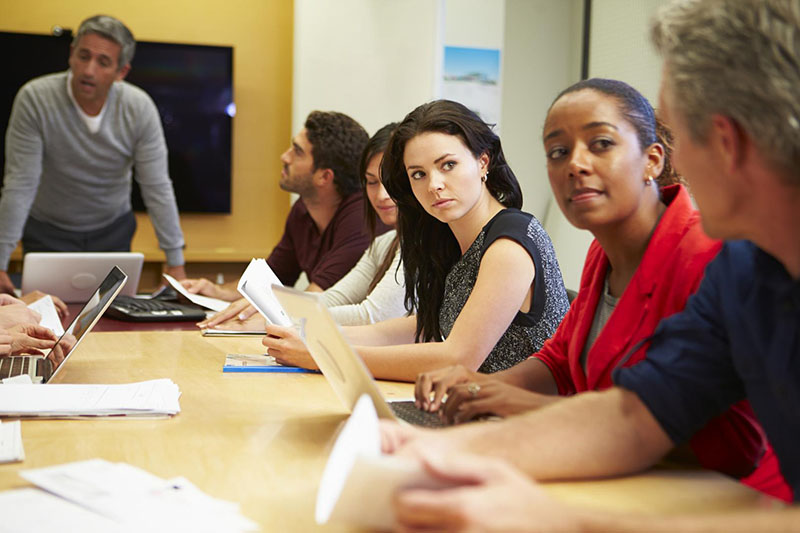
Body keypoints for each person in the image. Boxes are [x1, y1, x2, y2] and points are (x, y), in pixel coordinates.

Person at [382, 0, 800, 529]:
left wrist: (565, 520)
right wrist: (440, 453)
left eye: (675, 136)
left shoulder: (713, 257)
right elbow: (635, 414)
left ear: (725, 141)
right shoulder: (746, 268)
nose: (679, 166)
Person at [263, 100, 569, 382]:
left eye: (448, 165)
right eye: (418, 174)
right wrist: (314, 335)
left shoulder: (509, 243)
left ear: (483, 162)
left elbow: (457, 359)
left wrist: (324, 353)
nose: (434, 185)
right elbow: (417, 327)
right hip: (474, 409)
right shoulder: (452, 239)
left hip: (526, 424)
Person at [0, 15, 187, 294]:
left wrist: (176, 262)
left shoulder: (139, 108)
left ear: (121, 72)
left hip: (112, 231)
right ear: (71, 54)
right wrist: (1, 261)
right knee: (45, 318)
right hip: (47, 230)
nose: (89, 70)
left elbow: (156, 186)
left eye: (103, 62)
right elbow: (20, 184)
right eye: (83, 56)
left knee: (110, 318)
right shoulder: (35, 98)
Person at [185, 111, 379, 328]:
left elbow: (311, 305)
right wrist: (217, 291)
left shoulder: (362, 219)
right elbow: (271, 282)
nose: (285, 157)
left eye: (297, 152)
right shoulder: (303, 209)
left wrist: (248, 315)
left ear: (324, 177)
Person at [319, 122, 406, 325]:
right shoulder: (384, 242)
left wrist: (290, 317)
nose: (382, 195)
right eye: (372, 182)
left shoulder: (423, 243)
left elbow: (372, 317)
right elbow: (334, 299)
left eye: (391, 181)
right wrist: (272, 307)